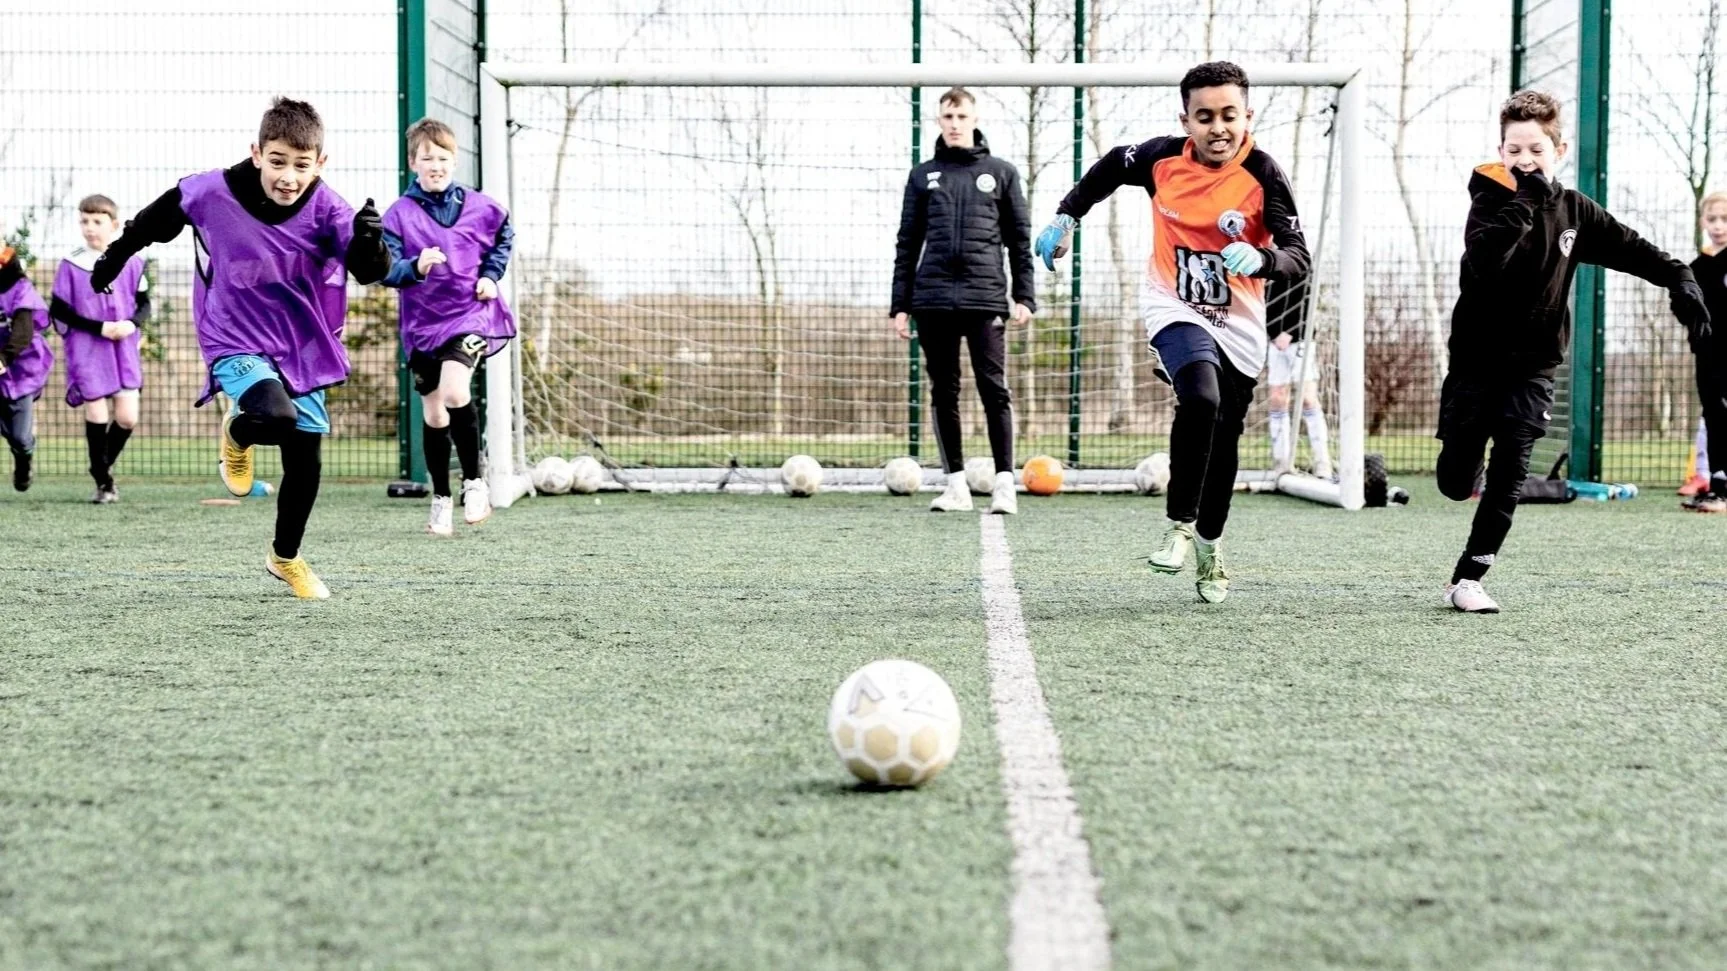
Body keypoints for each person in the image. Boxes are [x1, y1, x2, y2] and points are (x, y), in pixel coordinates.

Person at [92, 97, 391, 599]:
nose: (288, 176)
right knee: (275, 417)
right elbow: (154, 220)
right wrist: (116, 255)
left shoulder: (330, 208)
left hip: (300, 342)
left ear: (320, 163)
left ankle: (285, 558)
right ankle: (238, 430)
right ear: (256, 153)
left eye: (301, 165)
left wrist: (370, 242)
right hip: (232, 334)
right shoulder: (213, 190)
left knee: (306, 462)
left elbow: (371, 270)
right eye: (277, 161)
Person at [1035, 60, 1309, 603]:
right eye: (1204, 116)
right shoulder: (1162, 159)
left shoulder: (1265, 173)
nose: (1217, 127)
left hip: (1241, 322)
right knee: (1200, 397)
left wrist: (1262, 258)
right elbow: (1114, 164)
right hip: (1173, 302)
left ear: (1246, 116)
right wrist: (1067, 216)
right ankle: (1179, 523)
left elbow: (1299, 257)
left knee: (1225, 441)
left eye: (1229, 115)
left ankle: (1210, 545)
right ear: (1185, 120)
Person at [1436, 90, 1710, 612]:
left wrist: (1680, 278)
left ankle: (1469, 577)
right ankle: (1462, 469)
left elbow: (1632, 247)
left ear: (1558, 148)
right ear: (1501, 149)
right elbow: (1487, 261)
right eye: (1514, 150)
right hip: (1476, 362)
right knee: (1454, 483)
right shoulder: (1489, 199)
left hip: (1534, 364)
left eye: (1536, 150)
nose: (1524, 160)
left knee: (1512, 467)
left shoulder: (1574, 210)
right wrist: (1526, 197)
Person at [890, 86, 1035, 515]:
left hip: (984, 297)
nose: (954, 124)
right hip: (931, 299)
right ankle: (955, 486)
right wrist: (901, 304)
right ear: (939, 121)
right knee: (944, 391)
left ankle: (1005, 484)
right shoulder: (923, 175)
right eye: (947, 117)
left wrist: (1024, 294)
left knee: (994, 389)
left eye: (961, 117)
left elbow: (1019, 241)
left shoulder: (1002, 173)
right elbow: (907, 242)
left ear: (974, 120)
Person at [381, 117, 516, 536]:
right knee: (435, 413)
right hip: (423, 326)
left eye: (442, 157)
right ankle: (441, 498)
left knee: (458, 391)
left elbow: (502, 237)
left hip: (470, 314)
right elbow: (385, 268)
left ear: (454, 161)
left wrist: (491, 276)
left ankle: (474, 483)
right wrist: (414, 267)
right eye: (427, 158)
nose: (435, 164)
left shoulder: (481, 207)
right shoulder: (399, 215)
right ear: (413, 163)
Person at [51, 194, 151, 503]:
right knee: (95, 411)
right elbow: (59, 310)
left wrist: (132, 324)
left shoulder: (132, 261)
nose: (90, 228)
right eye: (84, 221)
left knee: (127, 418)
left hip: (123, 348)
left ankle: (99, 466)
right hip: (87, 348)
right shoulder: (71, 263)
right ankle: (103, 481)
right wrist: (100, 328)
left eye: (97, 221)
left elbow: (144, 304)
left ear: (114, 225)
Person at [1684, 189, 1727, 513]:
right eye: (1712, 219)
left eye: (1725, 219)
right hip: (1709, 356)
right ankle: (1717, 483)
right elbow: (1684, 304)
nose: (1718, 225)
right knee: (1713, 414)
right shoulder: (1698, 267)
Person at [1264, 279, 1331, 479]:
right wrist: (1273, 333)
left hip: (1301, 340)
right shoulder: (1265, 260)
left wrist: (1290, 332)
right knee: (1277, 398)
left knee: (1308, 397)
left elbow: (1307, 300)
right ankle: (1282, 463)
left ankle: (1322, 462)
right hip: (1274, 342)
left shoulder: (1300, 262)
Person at [0, 246, 51, 493]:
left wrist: (4, 359)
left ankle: (24, 460)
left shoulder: (20, 288)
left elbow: (23, 332)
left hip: (20, 368)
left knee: (19, 437)